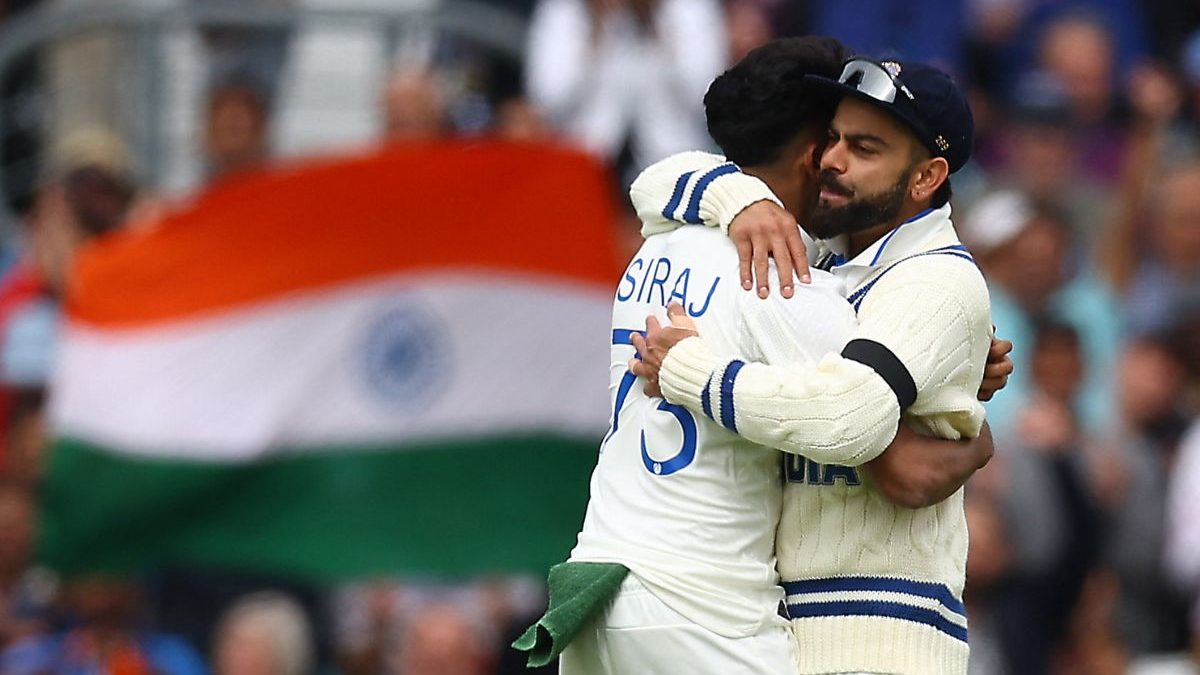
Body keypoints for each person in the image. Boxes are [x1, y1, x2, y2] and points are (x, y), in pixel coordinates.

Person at [517, 39, 1007, 675]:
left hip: (600, 580)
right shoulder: (786, 279)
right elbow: (889, 456)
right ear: (810, 152)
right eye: (835, 140)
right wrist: (978, 437)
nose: (835, 161)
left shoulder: (661, 240)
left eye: (861, 146)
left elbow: (652, 183)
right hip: (702, 605)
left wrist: (948, 359)